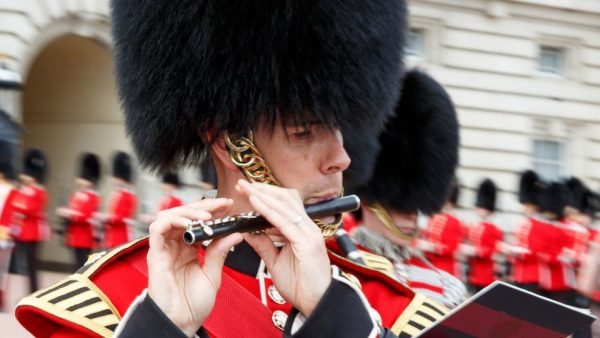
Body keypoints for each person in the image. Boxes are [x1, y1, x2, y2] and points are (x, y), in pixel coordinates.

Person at [14, 1, 442, 337]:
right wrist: (163, 328)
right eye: (304, 133)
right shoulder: (116, 296)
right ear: (229, 143)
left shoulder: (380, 295)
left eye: (340, 131)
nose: (341, 158)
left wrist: (335, 316)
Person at [341, 69, 467, 309]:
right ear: (369, 202)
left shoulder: (445, 286)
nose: (412, 213)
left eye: (417, 205)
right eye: (400, 204)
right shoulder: (336, 264)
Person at [496, 170, 544, 294]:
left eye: (528, 206)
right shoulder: (521, 224)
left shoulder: (539, 226)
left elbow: (535, 251)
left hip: (532, 275)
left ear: (535, 207)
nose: (525, 208)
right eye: (525, 205)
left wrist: (515, 251)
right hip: (518, 274)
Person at [11, 148, 50, 293]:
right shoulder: (24, 190)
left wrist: (17, 206)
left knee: (32, 266)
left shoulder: (38, 191)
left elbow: (30, 209)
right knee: (25, 265)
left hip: (34, 232)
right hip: (23, 231)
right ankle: (29, 292)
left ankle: (33, 292)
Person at [56, 153, 102, 269]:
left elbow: (86, 216)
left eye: (84, 178)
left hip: (85, 237)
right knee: (76, 267)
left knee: (83, 267)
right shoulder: (76, 195)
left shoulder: (93, 197)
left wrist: (69, 214)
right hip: (74, 236)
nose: (80, 180)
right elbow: (72, 210)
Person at [461, 179, 503, 292]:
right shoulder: (472, 226)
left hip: (486, 274)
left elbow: (492, 250)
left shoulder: (493, 229)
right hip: (472, 271)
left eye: (482, 208)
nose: (480, 210)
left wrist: (476, 251)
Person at [418, 179, 463, 279]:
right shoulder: (433, 218)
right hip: (428, 264)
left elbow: (451, 248)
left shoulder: (454, 222)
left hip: (444, 267)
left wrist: (432, 247)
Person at [97, 152, 137, 249]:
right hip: (110, 236)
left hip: (121, 236)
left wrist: (107, 218)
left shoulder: (129, 195)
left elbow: (124, 218)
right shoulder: (115, 193)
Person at [0, 141, 17, 309]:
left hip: (3, 235)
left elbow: (11, 216)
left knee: (1, 271)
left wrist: (7, 234)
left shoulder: (11, 190)